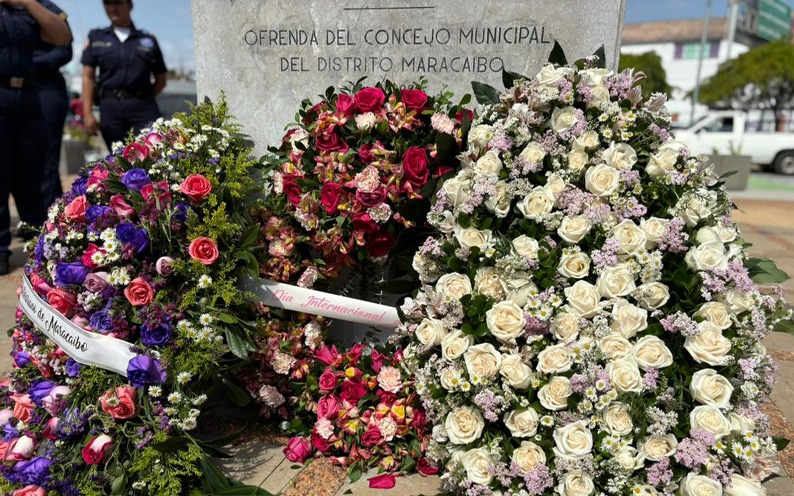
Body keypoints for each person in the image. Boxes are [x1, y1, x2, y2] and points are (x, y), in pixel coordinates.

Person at [0, 0, 72, 275]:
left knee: (34, 174)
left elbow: (62, 36)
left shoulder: (28, 7)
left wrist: (28, 2)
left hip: (29, 96)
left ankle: (39, 245)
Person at [81, 0, 167, 152]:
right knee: (117, 160)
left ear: (130, 5)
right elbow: (88, 77)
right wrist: (87, 113)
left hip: (143, 109)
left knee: (151, 156)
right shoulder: (96, 38)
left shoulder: (148, 40)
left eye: (117, 3)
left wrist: (141, 97)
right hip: (110, 110)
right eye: (107, 3)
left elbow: (161, 80)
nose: (112, 8)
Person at [35, 41, 72, 208]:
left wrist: (26, 61)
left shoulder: (53, 19)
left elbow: (64, 50)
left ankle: (48, 212)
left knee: (47, 157)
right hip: (12, 90)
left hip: (45, 88)